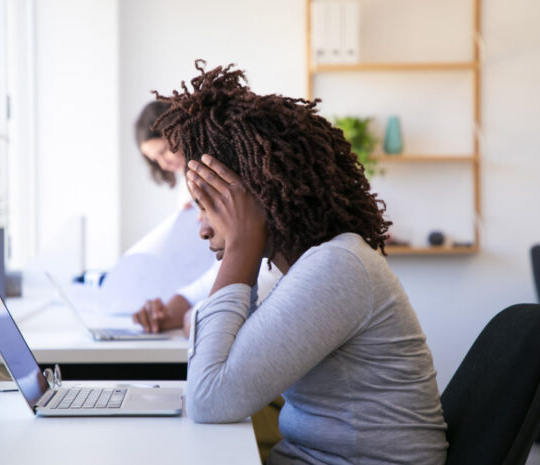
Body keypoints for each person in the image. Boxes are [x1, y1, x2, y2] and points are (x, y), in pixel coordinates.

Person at [151, 61, 448, 464]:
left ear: (254, 195)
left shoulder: (338, 267)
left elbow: (208, 399)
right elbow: (222, 362)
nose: (202, 229)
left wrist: (241, 244)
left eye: (208, 206)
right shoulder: (309, 267)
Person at [131, 101, 281, 337]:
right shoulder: (190, 186)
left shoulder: (234, 179)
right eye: (155, 159)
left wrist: (197, 315)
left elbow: (255, 267)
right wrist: (179, 305)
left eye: (164, 151)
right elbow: (222, 265)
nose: (163, 163)